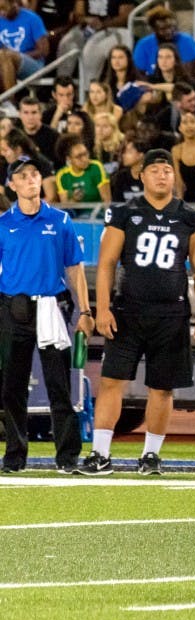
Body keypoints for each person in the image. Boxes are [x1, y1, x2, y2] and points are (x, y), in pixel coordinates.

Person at [78, 149, 195, 476]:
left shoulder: (190, 217)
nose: (162, 175)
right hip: (129, 311)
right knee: (112, 381)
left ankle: (151, 455)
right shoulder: (125, 214)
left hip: (172, 314)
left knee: (162, 387)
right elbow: (107, 263)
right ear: (141, 175)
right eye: (154, 170)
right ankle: (100, 453)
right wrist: (104, 308)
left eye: (167, 170)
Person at [0, 156, 94, 474]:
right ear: (11, 185)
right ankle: (14, 455)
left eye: (35, 174)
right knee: (11, 386)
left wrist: (85, 309)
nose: (30, 180)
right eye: (23, 175)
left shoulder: (60, 221)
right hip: (12, 309)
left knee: (59, 385)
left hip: (51, 308)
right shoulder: (2, 224)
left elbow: (74, 267)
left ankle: (67, 457)